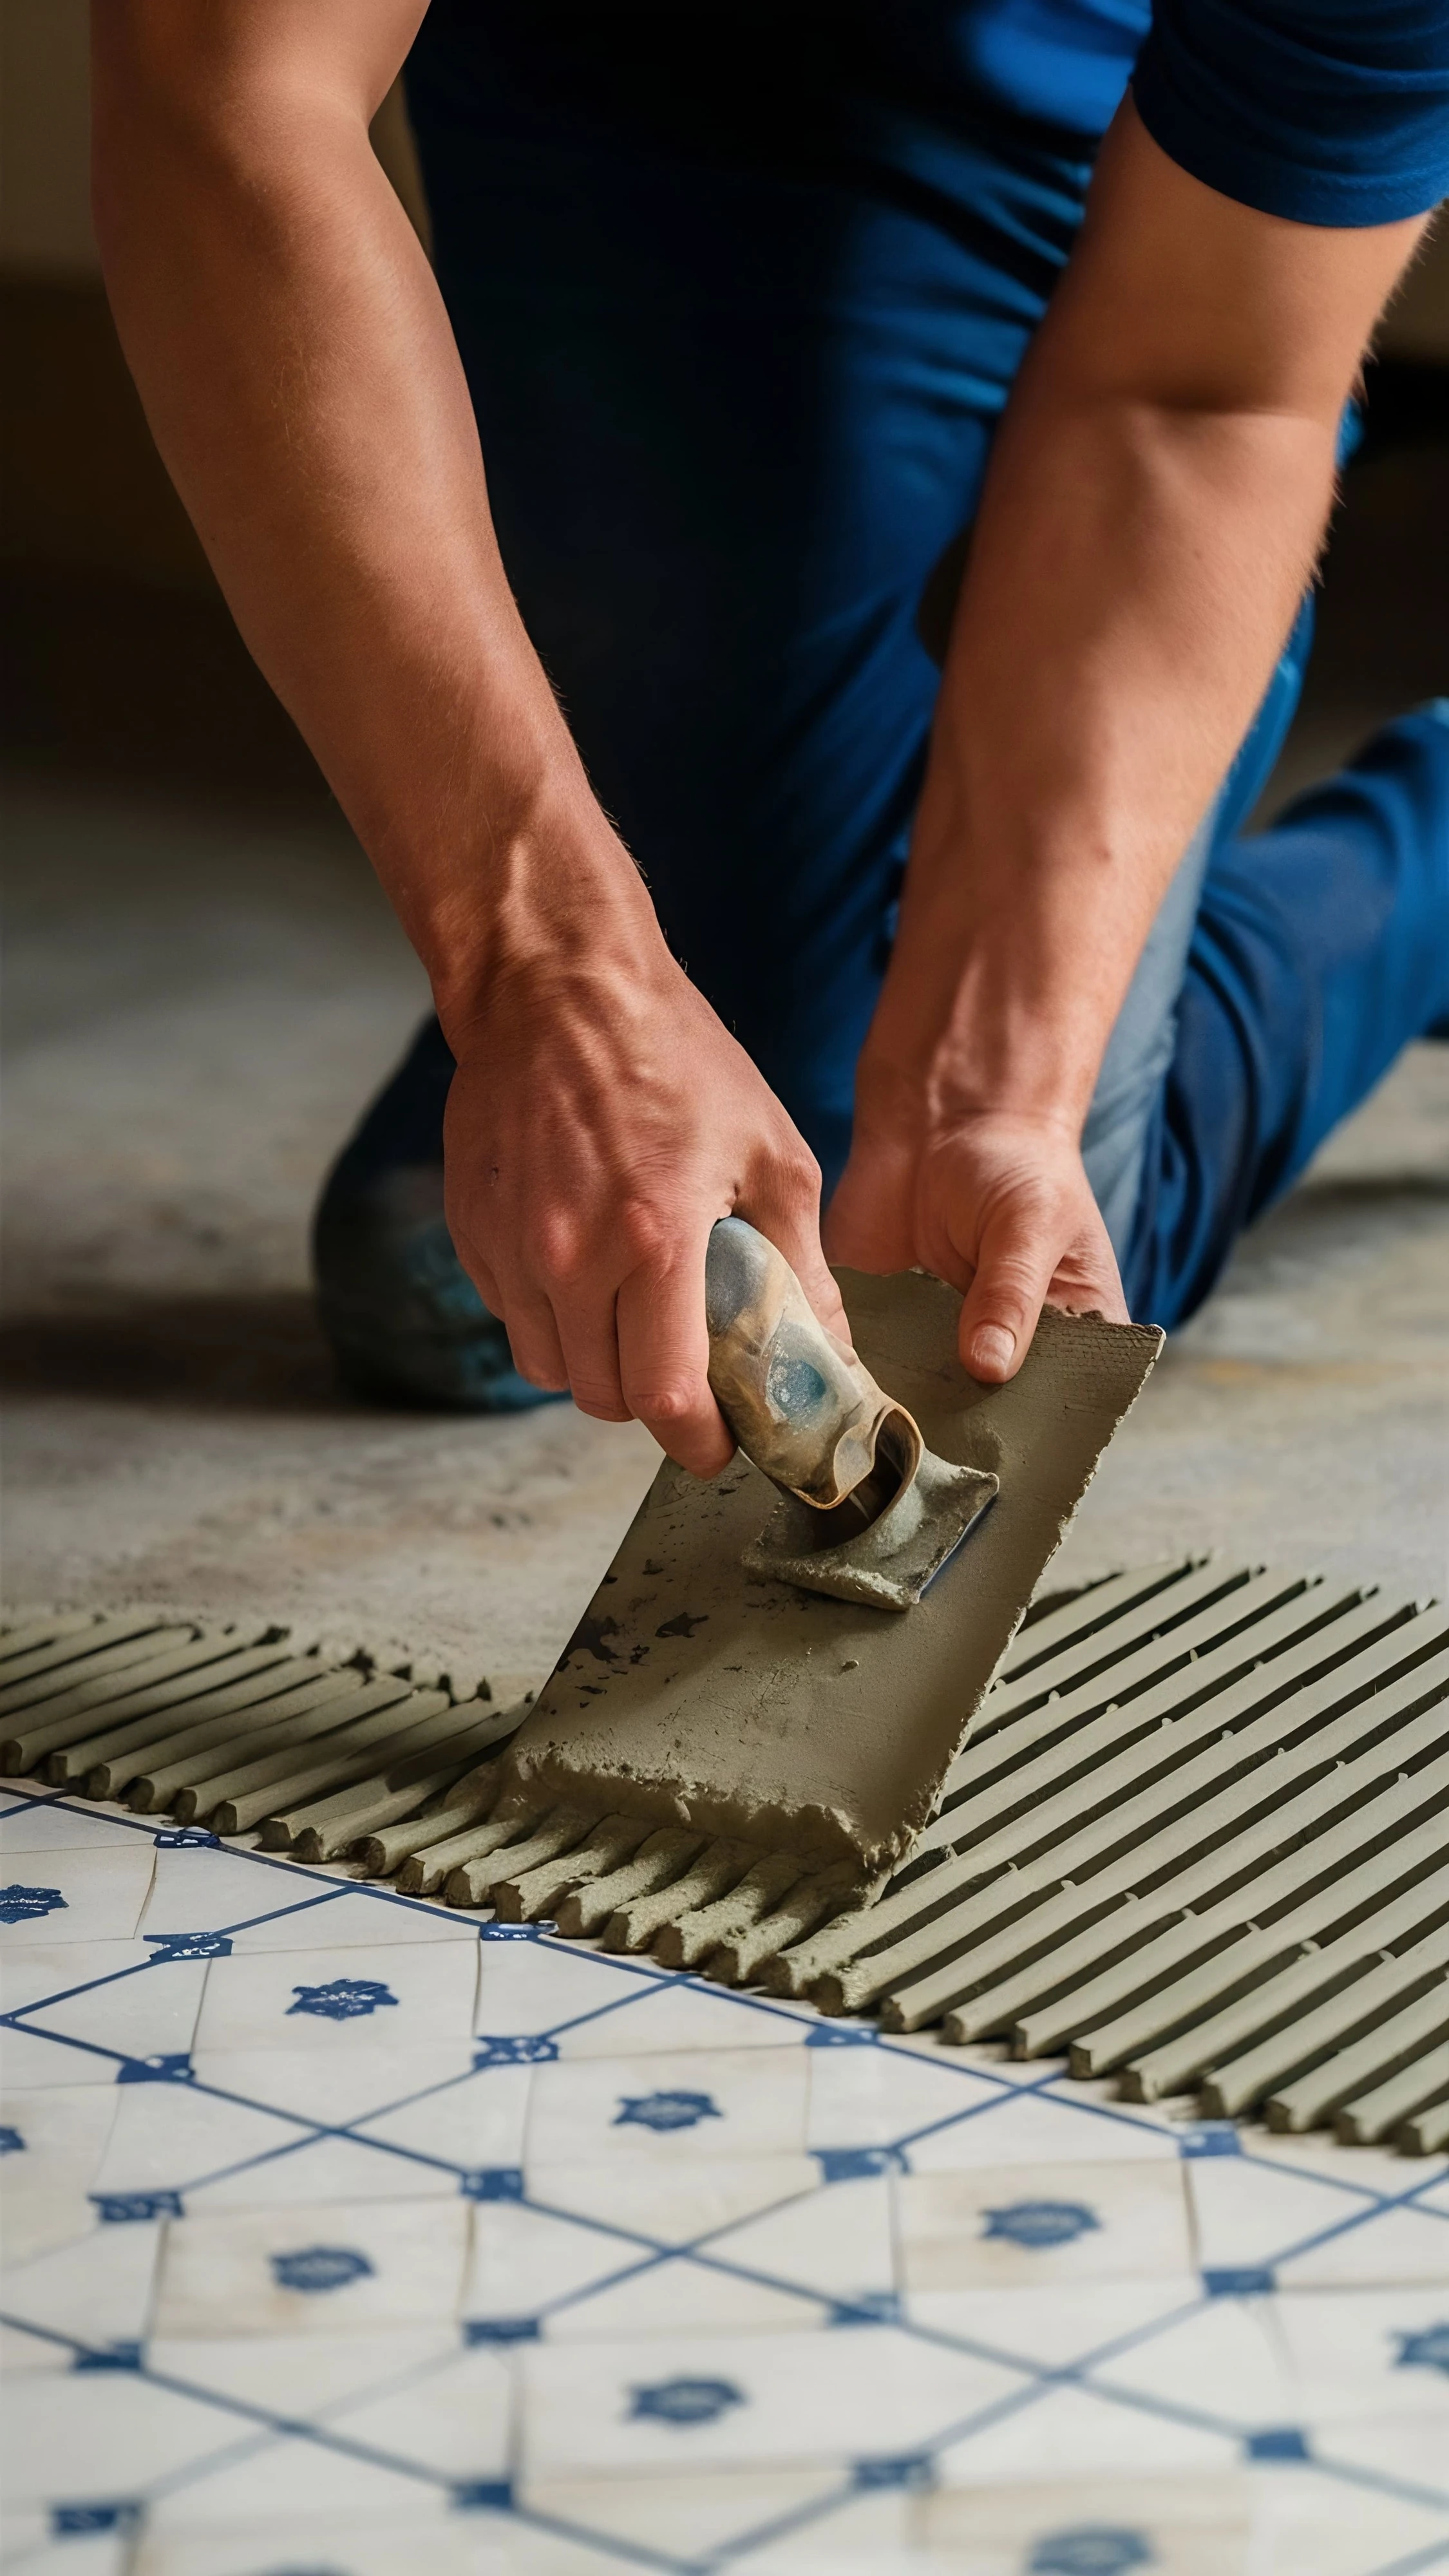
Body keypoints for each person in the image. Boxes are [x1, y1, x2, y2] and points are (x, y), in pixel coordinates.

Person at [93, 2, 1448, 1473]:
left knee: (953, 1236)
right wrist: (547, 968)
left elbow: (1201, 388)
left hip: (1091, 186)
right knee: (499, 1255)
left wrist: (989, 1089)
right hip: (591, 108)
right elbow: (224, 100)